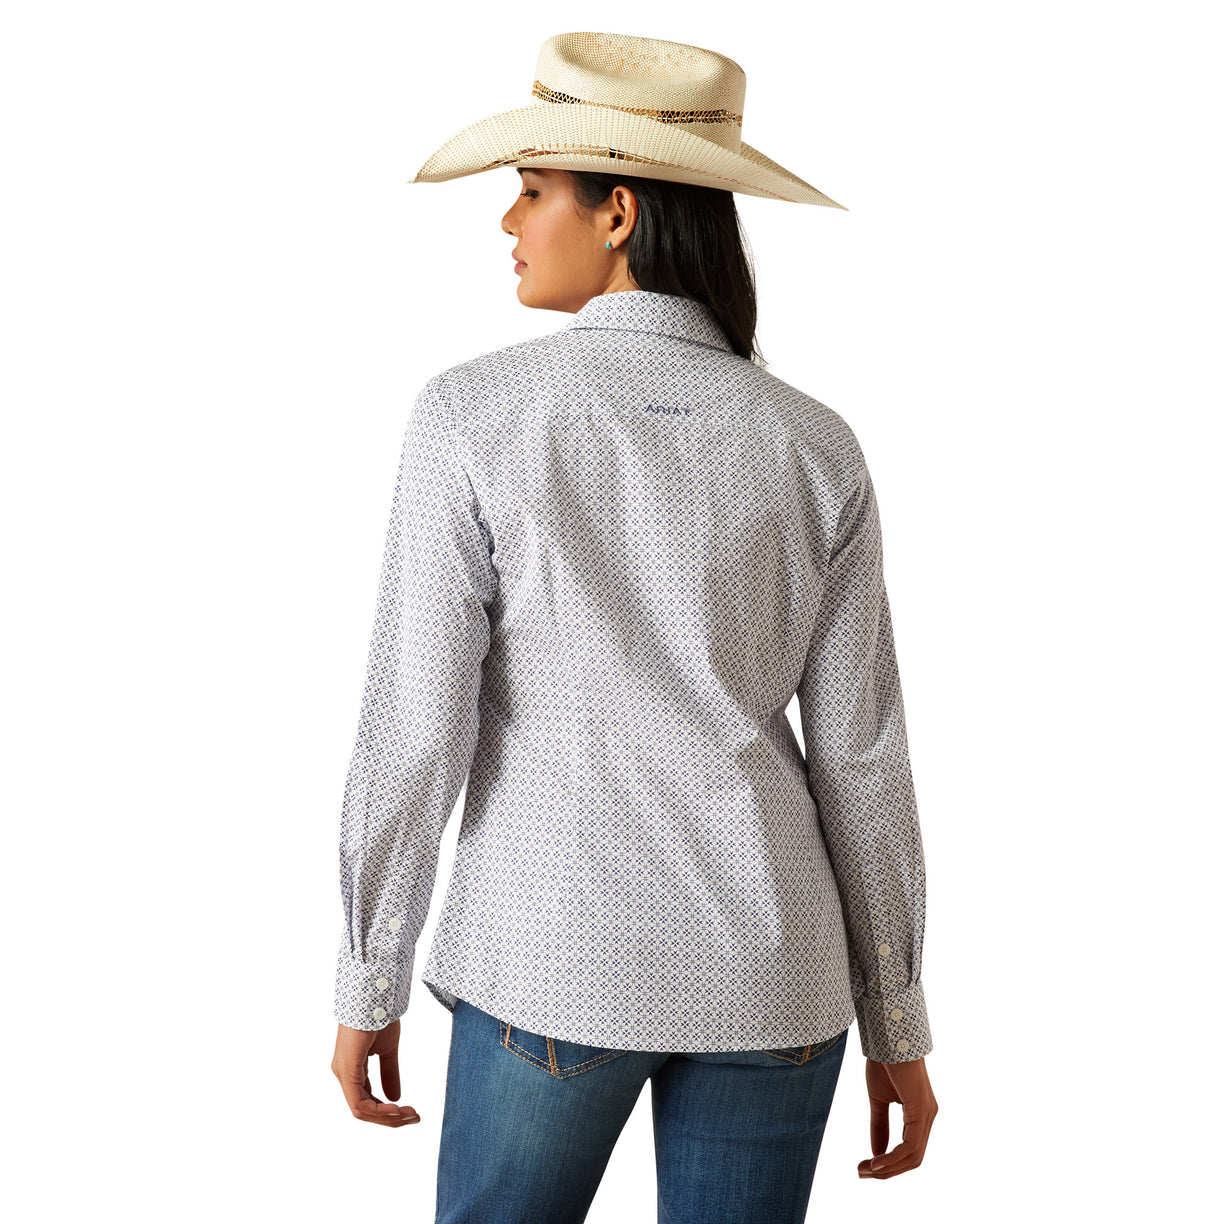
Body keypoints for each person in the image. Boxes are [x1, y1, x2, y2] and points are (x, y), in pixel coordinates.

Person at [329, 30, 938, 1223]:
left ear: (618, 214)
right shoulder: (815, 444)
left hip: (556, 952)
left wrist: (369, 972)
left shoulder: (473, 417)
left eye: (531, 190)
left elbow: (416, 725)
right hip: (777, 972)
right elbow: (863, 756)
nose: (507, 222)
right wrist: (898, 1017)